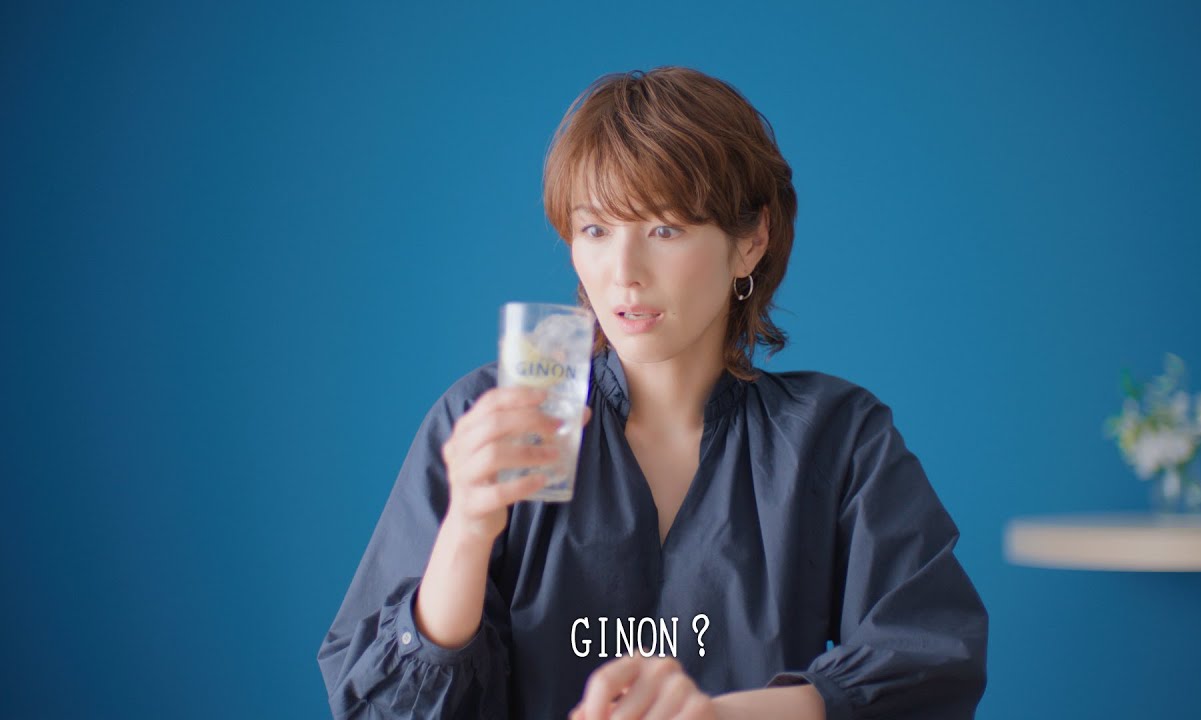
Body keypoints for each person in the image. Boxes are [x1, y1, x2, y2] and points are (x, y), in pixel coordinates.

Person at [318, 66, 988, 719]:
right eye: (595, 230)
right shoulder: (489, 419)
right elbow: (381, 708)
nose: (624, 272)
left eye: (665, 229)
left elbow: (929, 663)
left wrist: (719, 718)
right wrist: (466, 528)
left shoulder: (837, 438)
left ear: (750, 242)